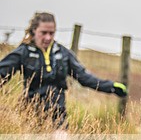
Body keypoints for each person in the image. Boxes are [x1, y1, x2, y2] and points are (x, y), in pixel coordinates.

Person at [0, 12, 128, 129]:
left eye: (51, 33)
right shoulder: (24, 52)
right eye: (43, 33)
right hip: (29, 114)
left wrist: (111, 87)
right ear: (34, 30)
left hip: (57, 115)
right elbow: (2, 73)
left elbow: (85, 78)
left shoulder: (63, 53)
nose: (48, 37)